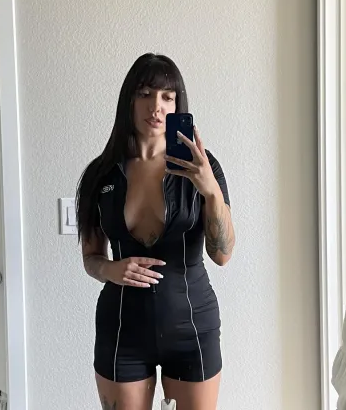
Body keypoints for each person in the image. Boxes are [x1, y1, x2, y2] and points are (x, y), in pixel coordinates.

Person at [76, 53, 235, 410]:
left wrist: (210, 190)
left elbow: (223, 255)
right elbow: (91, 258)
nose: (156, 106)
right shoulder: (101, 174)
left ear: (178, 105)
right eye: (145, 94)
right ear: (129, 101)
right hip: (122, 330)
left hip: (192, 328)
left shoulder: (203, 167)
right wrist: (110, 269)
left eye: (167, 96)